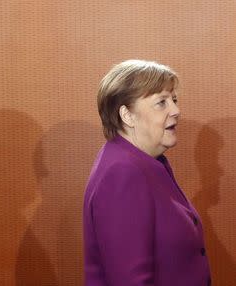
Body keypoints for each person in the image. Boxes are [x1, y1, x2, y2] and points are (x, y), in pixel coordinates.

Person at [83, 60, 211, 285]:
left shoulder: (145, 163)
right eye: (161, 102)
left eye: (174, 99)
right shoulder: (122, 173)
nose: (176, 110)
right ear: (127, 116)